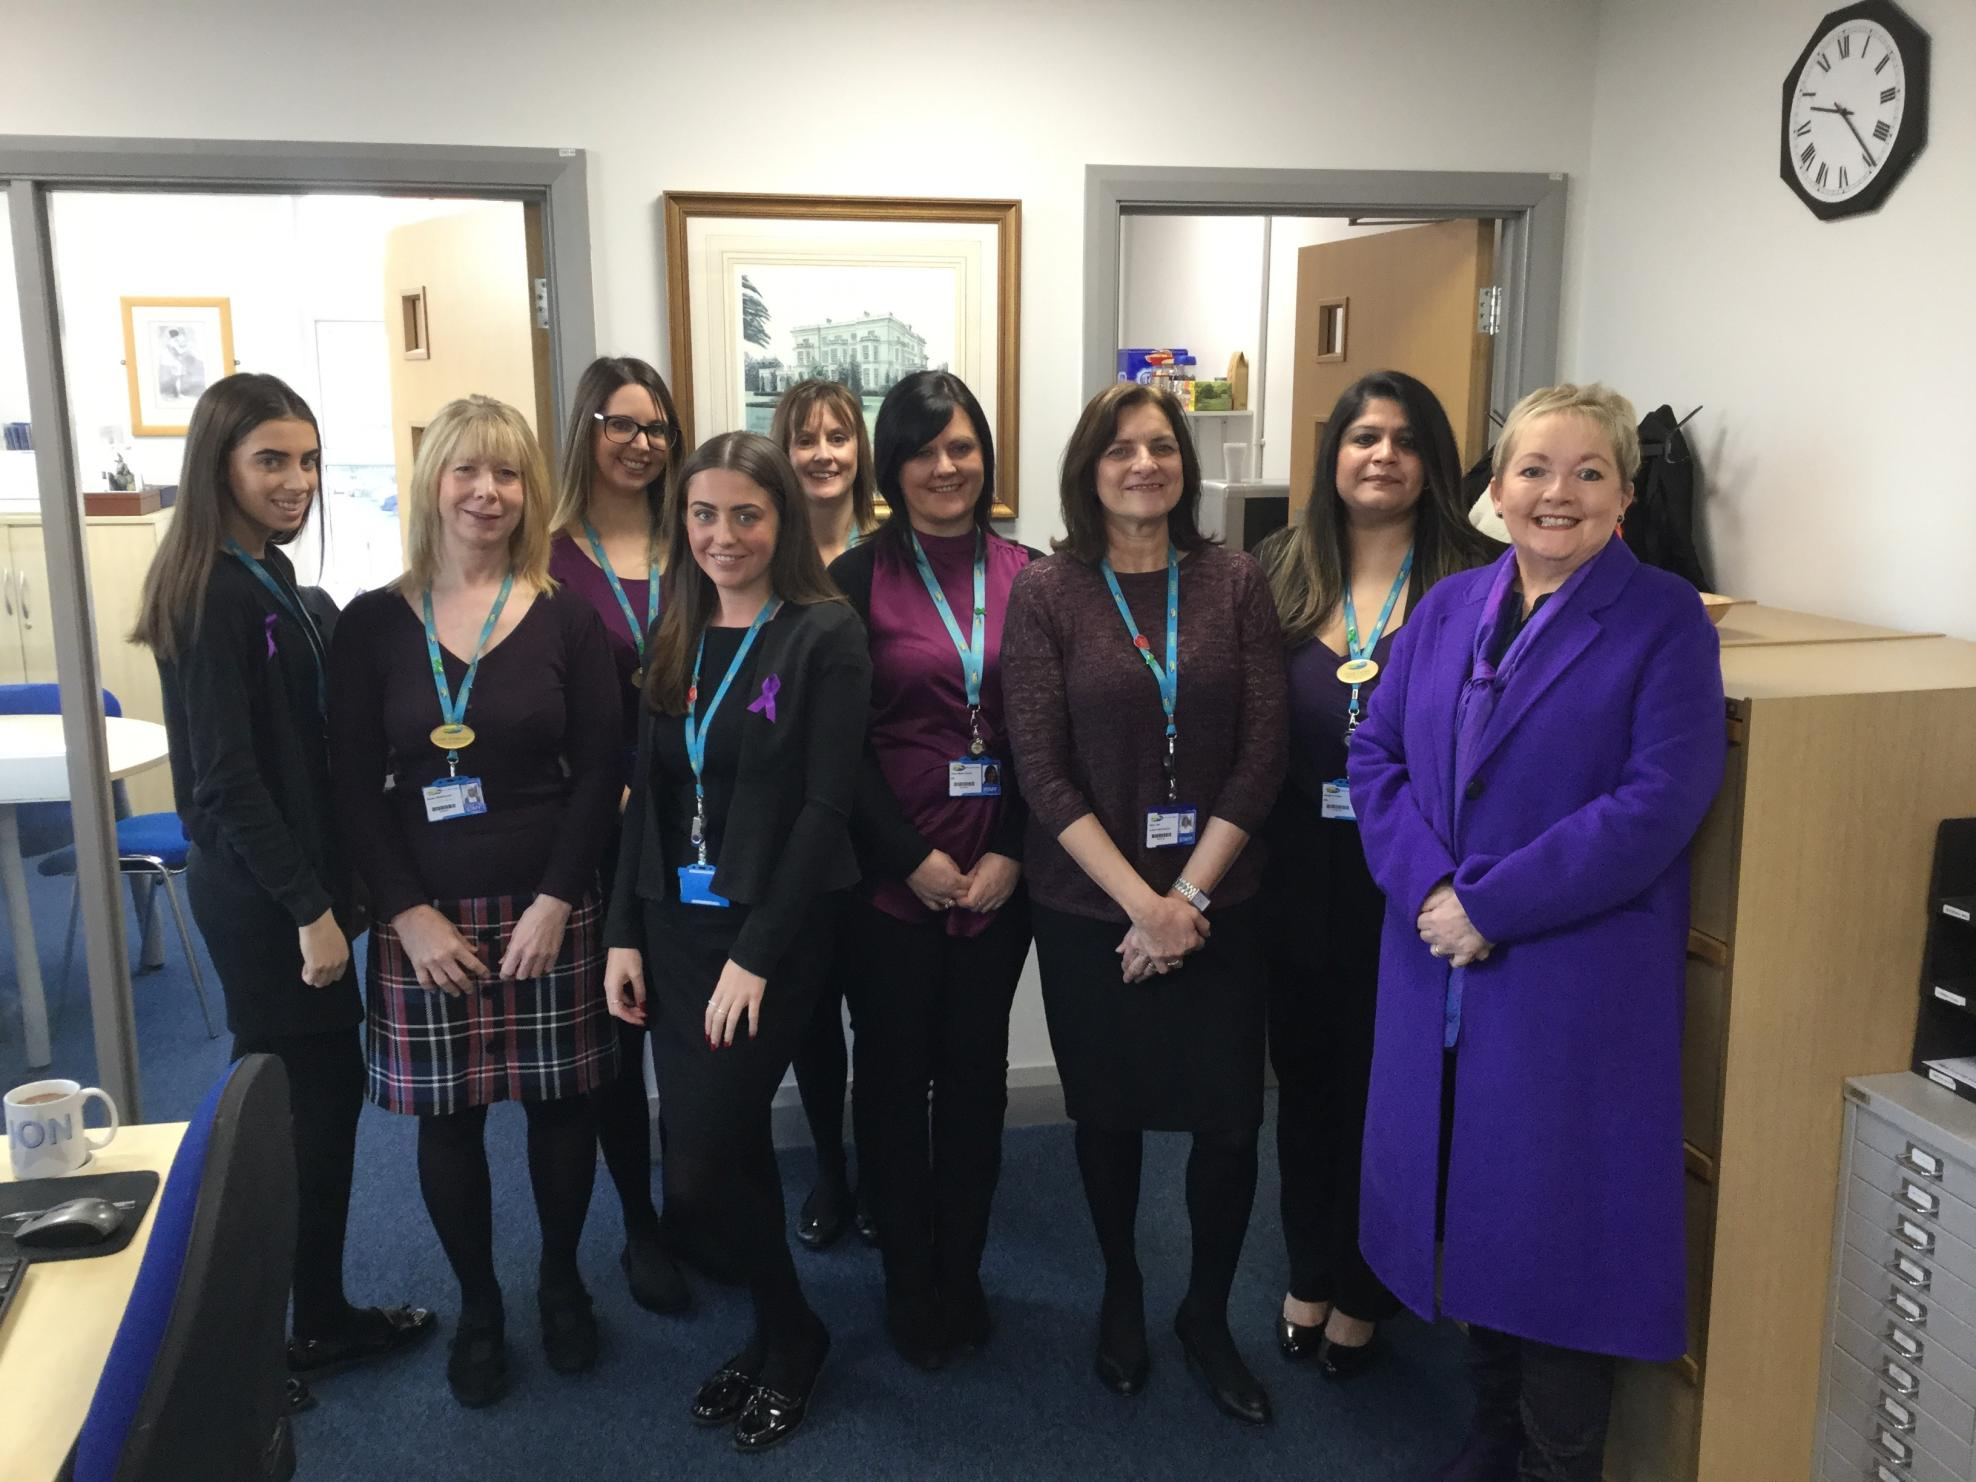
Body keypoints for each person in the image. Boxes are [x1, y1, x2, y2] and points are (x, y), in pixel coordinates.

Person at [1347, 383, 1726, 1480]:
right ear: (1494, 489)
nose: (1555, 493)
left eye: (1586, 471)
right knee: (1468, 1218)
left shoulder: (1660, 619)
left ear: (1623, 491)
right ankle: (1488, 1435)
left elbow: (1656, 802)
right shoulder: (1450, 606)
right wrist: (1429, 891)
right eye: (1531, 470)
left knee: (1556, 1244)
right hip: (1438, 970)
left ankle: (1555, 1463)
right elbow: (1373, 756)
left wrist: (1489, 906)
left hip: (1565, 984)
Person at [134, 372, 433, 1413]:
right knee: (290, 1117)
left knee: (310, 1106)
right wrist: (311, 911)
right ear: (219, 462)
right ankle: (266, 1339)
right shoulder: (213, 592)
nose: (296, 480)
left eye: (307, 460)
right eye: (272, 460)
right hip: (267, 902)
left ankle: (310, 1316)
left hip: (288, 889)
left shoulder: (269, 578)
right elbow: (224, 779)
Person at [329, 394, 622, 1409]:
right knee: (446, 1122)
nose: (487, 492)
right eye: (467, 471)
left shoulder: (567, 621)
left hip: (547, 906)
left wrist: (555, 899)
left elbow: (598, 775)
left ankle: (559, 1281)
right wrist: (405, 915)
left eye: (506, 475)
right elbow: (350, 788)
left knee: (558, 1104)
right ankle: (480, 1306)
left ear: (529, 491)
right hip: (426, 920)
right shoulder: (370, 623)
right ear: (432, 484)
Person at [1002, 382, 1287, 1425]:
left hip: (1218, 902)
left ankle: (1204, 1312)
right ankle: (1120, 1286)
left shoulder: (1234, 581)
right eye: (1119, 449)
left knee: (1224, 1126)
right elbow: (1041, 769)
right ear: (1088, 467)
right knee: (1107, 1116)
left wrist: (1186, 899)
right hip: (1090, 911)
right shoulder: (1047, 590)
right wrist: (1143, 908)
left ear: (1184, 464)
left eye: (1160, 447)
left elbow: (1260, 758)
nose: (1142, 464)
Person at [603, 431, 869, 1452]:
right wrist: (625, 929)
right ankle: (777, 1327)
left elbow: (823, 809)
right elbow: (647, 798)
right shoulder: (675, 625)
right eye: (703, 515)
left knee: (706, 1163)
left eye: (744, 515)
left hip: (775, 928)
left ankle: (794, 1333)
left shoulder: (823, 634)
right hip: (672, 924)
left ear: (780, 522)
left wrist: (755, 953)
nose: (722, 536)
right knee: (713, 1149)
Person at [1252, 371, 1500, 1380]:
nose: (1381, 455)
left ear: (1429, 463)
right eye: (1362, 436)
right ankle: (1309, 1268)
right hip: (1292, 876)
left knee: (1399, 1091)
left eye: (1403, 439)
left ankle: (1366, 1288)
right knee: (1305, 1085)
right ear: (1332, 455)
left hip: (1413, 880)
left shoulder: (1477, 581)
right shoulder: (1274, 569)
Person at [827, 371, 1038, 1368]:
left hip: (998, 880)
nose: (946, 466)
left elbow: (1052, 739)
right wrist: (907, 858)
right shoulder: (851, 580)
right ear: (892, 468)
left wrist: (1010, 851)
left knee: (974, 1082)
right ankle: (907, 1281)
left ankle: (963, 1270)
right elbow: (838, 746)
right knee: (889, 1081)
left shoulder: (1035, 576)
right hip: (889, 885)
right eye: (923, 450)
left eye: (962, 447)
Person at [547, 355, 691, 1313]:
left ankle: (697, 1207)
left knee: (693, 1034)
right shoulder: (545, 554)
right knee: (614, 1038)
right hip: (597, 832)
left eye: (656, 427)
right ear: (586, 432)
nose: (641, 444)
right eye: (620, 424)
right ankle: (639, 1220)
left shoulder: (701, 535)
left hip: (697, 831)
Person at [770, 376, 880, 1249]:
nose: (822, 453)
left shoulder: (890, 556)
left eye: (838, 436)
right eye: (805, 437)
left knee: (879, 1017)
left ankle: (881, 1172)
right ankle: (831, 1174)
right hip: (800, 825)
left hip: (884, 826)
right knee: (811, 1017)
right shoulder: (760, 559)